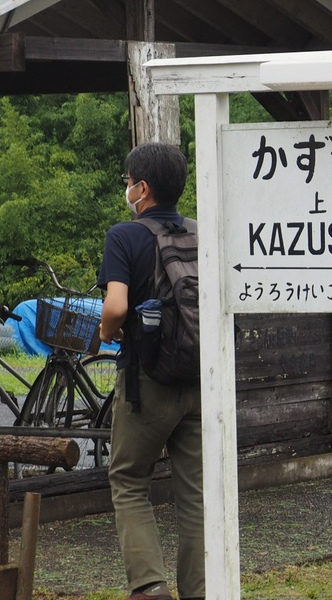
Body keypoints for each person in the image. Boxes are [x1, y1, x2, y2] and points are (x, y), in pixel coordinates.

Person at [98, 142, 204, 600]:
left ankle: (150, 586)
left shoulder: (125, 235)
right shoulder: (202, 233)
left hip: (148, 382)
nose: (126, 189)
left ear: (142, 188)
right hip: (200, 377)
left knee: (128, 479)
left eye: (127, 182)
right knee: (196, 494)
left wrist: (106, 332)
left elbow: (116, 306)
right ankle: (200, 590)